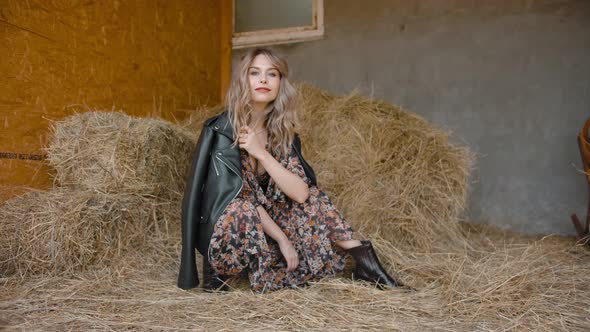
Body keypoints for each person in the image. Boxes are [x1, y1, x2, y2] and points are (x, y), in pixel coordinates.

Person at [177, 47, 401, 292]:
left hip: (263, 231)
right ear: (244, 81)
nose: (263, 80)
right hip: (228, 232)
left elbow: (301, 193)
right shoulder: (222, 130)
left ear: (280, 83)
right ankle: (217, 273)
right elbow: (238, 200)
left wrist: (261, 152)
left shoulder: (282, 134)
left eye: (272, 74)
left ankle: (365, 262)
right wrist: (283, 240)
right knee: (241, 208)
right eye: (255, 73)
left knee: (313, 197)